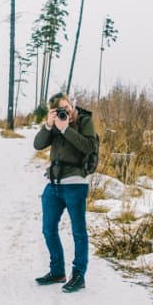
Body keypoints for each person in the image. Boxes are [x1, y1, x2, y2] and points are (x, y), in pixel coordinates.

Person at [33, 92, 98, 293]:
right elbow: (38, 144)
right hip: (53, 184)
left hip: (75, 183)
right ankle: (57, 271)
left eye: (66, 107)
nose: (65, 111)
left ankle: (78, 275)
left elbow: (88, 146)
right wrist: (48, 125)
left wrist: (66, 129)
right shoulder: (55, 124)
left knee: (78, 231)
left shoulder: (84, 121)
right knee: (48, 229)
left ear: (71, 104)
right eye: (60, 109)